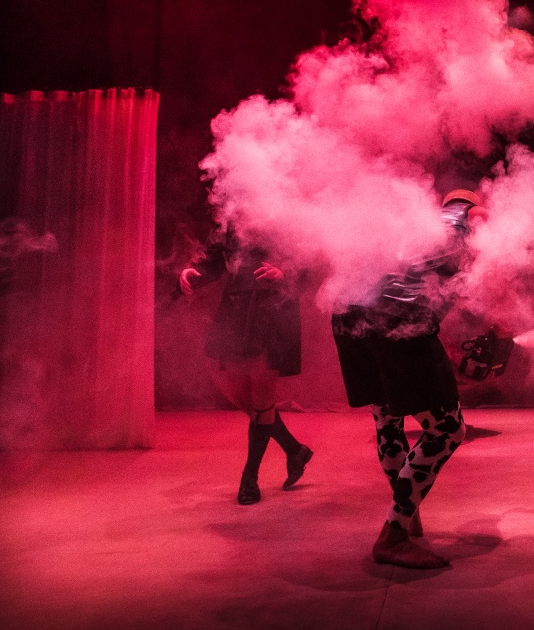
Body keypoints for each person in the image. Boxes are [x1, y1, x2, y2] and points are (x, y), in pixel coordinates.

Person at [331, 189, 485, 569]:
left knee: (387, 418)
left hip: (348, 314)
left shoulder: (419, 225)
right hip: (394, 319)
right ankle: (395, 532)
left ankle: (406, 514)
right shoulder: (469, 216)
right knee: (447, 430)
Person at [178, 223, 313, 505]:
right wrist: (195, 269)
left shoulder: (286, 207)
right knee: (237, 390)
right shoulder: (236, 209)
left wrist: (285, 274)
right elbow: (219, 249)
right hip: (236, 309)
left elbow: (308, 251)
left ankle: (250, 478)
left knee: (262, 396)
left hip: (273, 305)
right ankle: (294, 450)